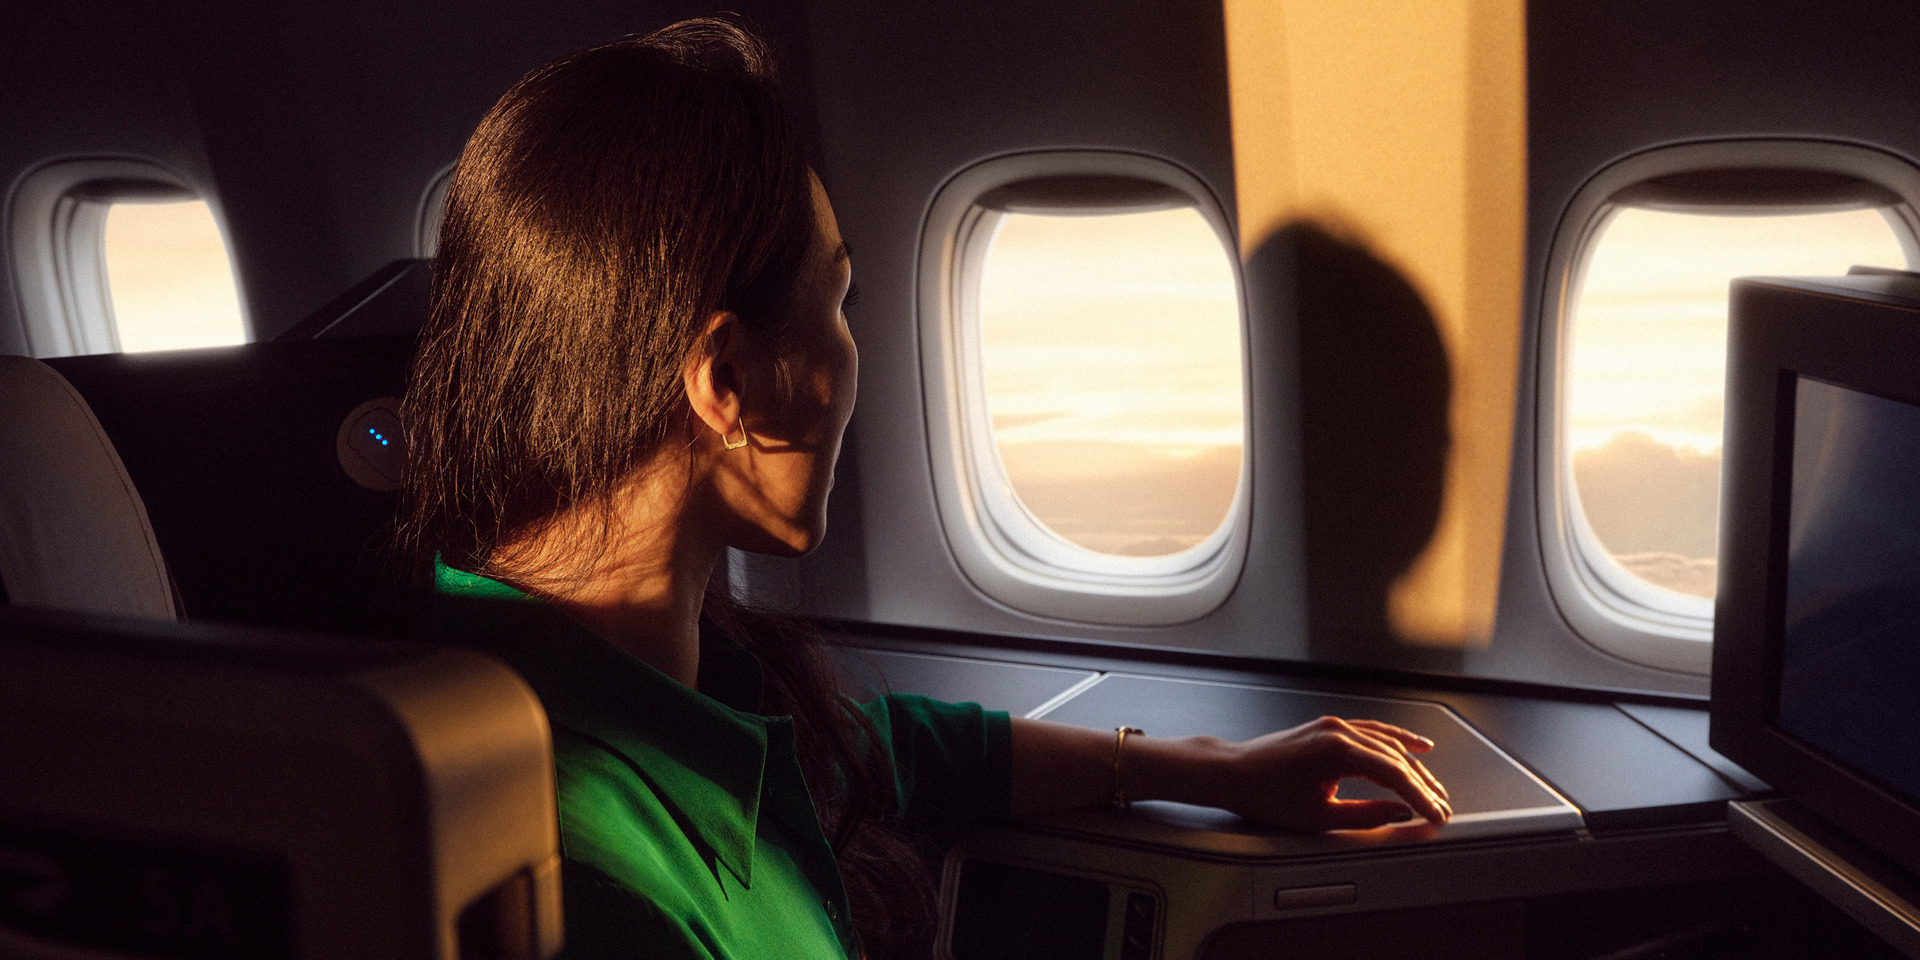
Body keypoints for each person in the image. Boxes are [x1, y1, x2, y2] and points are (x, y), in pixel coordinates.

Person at [394, 18, 1451, 960]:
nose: (858, 356)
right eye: (839, 301)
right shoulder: (595, 886)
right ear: (725, 381)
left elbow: (880, 747)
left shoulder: (600, 664)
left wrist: (1206, 767)